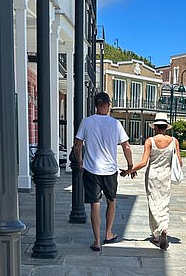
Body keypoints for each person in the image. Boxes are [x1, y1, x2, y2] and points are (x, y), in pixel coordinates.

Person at [74, 92, 135, 252]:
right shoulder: (115, 124)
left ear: (96, 105)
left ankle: (96, 241)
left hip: (91, 169)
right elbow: (126, 146)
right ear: (108, 105)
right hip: (109, 170)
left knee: (95, 203)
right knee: (111, 200)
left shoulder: (86, 122)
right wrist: (130, 165)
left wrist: (80, 160)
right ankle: (108, 233)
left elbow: (78, 144)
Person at [120, 112, 180, 250]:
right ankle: (163, 228)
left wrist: (128, 171)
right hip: (166, 175)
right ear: (166, 127)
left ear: (154, 127)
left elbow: (143, 162)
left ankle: (156, 235)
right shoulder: (174, 141)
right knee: (164, 203)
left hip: (152, 176)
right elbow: (179, 162)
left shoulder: (150, 141)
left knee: (153, 203)